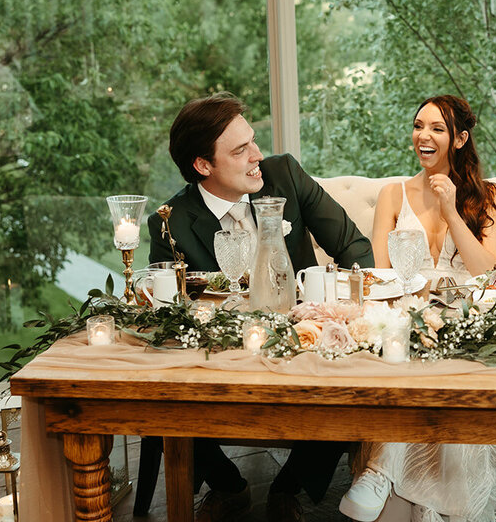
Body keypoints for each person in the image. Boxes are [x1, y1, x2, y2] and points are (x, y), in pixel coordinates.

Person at [146, 92, 375, 522]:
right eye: (240, 150)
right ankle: (227, 485)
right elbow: (169, 308)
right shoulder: (170, 221)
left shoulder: (283, 174)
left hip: (305, 338)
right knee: (161, 382)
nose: (257, 156)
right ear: (202, 165)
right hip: (225, 352)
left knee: (349, 369)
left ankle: (289, 487)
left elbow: (354, 247)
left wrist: (346, 310)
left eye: (253, 141)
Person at [339, 95, 496, 522]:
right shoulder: (393, 195)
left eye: (437, 128)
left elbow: (488, 274)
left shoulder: (489, 196)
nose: (423, 136)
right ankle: (386, 479)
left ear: (459, 138)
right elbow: (380, 279)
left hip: (468, 321)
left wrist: (450, 209)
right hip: (407, 319)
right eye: (418, 125)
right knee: (407, 357)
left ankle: (380, 471)